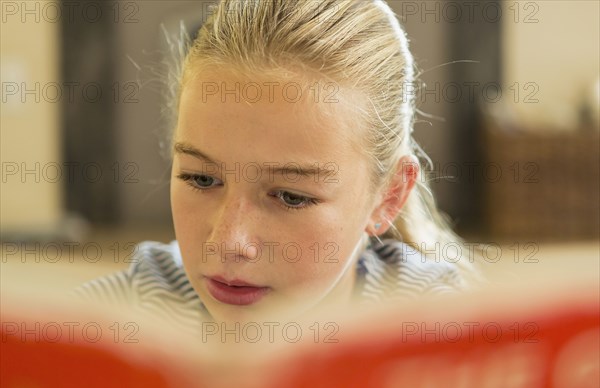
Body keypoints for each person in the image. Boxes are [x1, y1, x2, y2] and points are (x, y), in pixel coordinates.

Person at [76, 0, 480, 329]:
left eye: (290, 196)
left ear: (387, 197)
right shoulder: (110, 317)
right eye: (201, 178)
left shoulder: (439, 325)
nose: (228, 242)